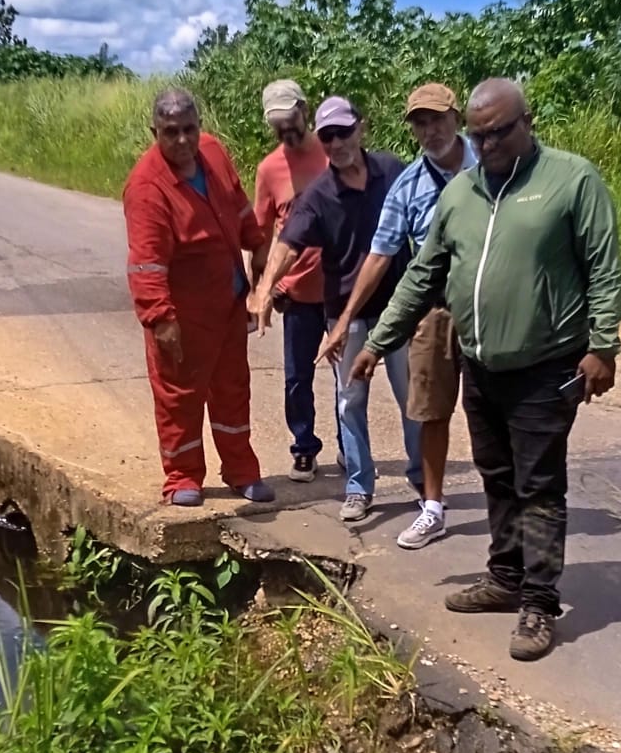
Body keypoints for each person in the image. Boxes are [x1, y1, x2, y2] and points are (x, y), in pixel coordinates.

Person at [350, 78, 621, 661]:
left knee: (539, 483)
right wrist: (378, 341)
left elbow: (603, 265)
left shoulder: (571, 180)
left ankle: (540, 602)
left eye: (498, 131)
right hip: (481, 365)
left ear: (528, 121)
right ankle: (504, 578)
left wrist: (604, 346)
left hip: (546, 365)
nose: (488, 143)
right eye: (480, 134)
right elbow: (423, 276)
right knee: (496, 475)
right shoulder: (461, 194)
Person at [318, 84, 477, 550]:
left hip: (492, 309)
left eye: (438, 119)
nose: (430, 130)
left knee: (495, 413)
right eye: (420, 122)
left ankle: (513, 509)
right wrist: (348, 321)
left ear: (457, 116)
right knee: (427, 408)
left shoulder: (492, 165)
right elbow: (380, 255)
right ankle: (431, 506)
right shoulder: (407, 185)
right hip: (434, 312)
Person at [254, 96, 421, 522]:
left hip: (397, 307)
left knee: (411, 398)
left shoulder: (392, 171)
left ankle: (423, 481)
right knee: (351, 401)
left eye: (343, 132)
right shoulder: (319, 195)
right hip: (343, 313)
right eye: (327, 136)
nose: (336, 143)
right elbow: (287, 245)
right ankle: (359, 486)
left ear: (360, 128)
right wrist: (264, 289)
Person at [123, 88, 274, 507]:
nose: (183, 141)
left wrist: (256, 242)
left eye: (190, 129)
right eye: (171, 132)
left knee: (232, 391)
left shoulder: (213, 154)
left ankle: (241, 472)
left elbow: (238, 205)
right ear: (155, 131)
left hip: (227, 306)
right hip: (182, 318)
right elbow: (146, 264)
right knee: (180, 400)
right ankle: (182, 476)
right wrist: (160, 318)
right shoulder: (147, 188)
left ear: (200, 126)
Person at [253, 79, 341, 482]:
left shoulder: (335, 152)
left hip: (342, 290)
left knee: (349, 378)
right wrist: (260, 293)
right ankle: (304, 448)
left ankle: (351, 449)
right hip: (297, 294)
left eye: (292, 120)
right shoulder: (269, 169)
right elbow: (260, 236)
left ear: (305, 110)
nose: (287, 130)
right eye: (278, 125)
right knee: (296, 379)